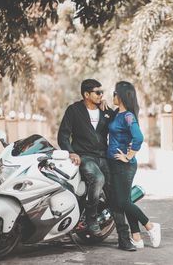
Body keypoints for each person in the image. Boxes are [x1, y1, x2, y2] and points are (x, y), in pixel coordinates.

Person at [57, 79, 136, 251]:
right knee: (97, 178)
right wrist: (71, 152)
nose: (102, 95)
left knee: (115, 196)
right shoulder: (74, 110)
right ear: (86, 94)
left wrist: (129, 147)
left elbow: (120, 126)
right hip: (85, 157)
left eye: (102, 92)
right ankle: (91, 218)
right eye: (98, 92)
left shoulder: (106, 111)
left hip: (104, 156)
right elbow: (63, 134)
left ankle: (124, 238)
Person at [107, 81, 161, 249]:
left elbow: (138, 137)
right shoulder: (117, 113)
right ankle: (136, 238)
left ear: (121, 96)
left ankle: (150, 226)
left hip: (124, 166)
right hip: (114, 164)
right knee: (126, 200)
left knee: (122, 202)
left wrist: (128, 156)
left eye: (114, 93)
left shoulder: (128, 116)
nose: (112, 96)